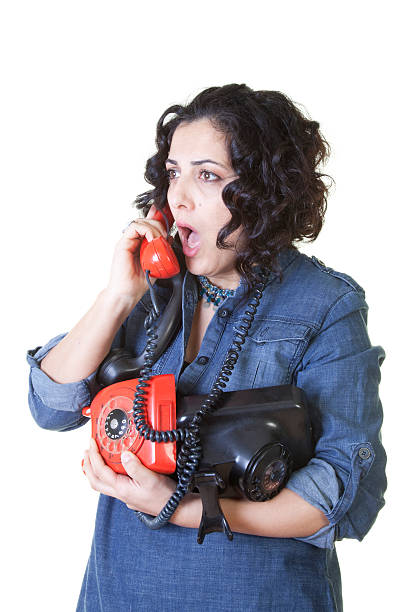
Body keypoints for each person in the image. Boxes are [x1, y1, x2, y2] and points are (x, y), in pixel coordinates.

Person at [26, 84, 387, 612]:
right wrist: (116, 296)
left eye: (208, 176)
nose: (180, 197)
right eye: (174, 173)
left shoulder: (327, 304)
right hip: (121, 594)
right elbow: (49, 407)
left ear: (265, 193)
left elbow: (337, 493)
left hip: (260, 597)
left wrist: (176, 506)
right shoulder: (150, 289)